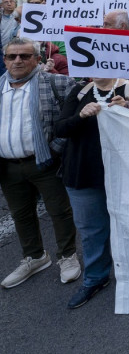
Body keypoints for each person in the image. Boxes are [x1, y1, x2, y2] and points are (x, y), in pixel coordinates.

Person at [54, 75, 129, 308]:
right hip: (83, 172)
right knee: (91, 230)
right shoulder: (79, 91)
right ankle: (95, 278)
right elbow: (60, 128)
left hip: (126, 173)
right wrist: (80, 115)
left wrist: (128, 108)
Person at [0, 38, 80, 289]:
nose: (18, 61)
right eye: (12, 56)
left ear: (36, 59)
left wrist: (56, 150)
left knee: (59, 211)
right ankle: (34, 257)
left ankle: (67, 256)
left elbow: (76, 121)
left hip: (45, 161)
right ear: (4, 60)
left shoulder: (59, 83)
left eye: (24, 56)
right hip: (8, 165)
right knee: (21, 214)